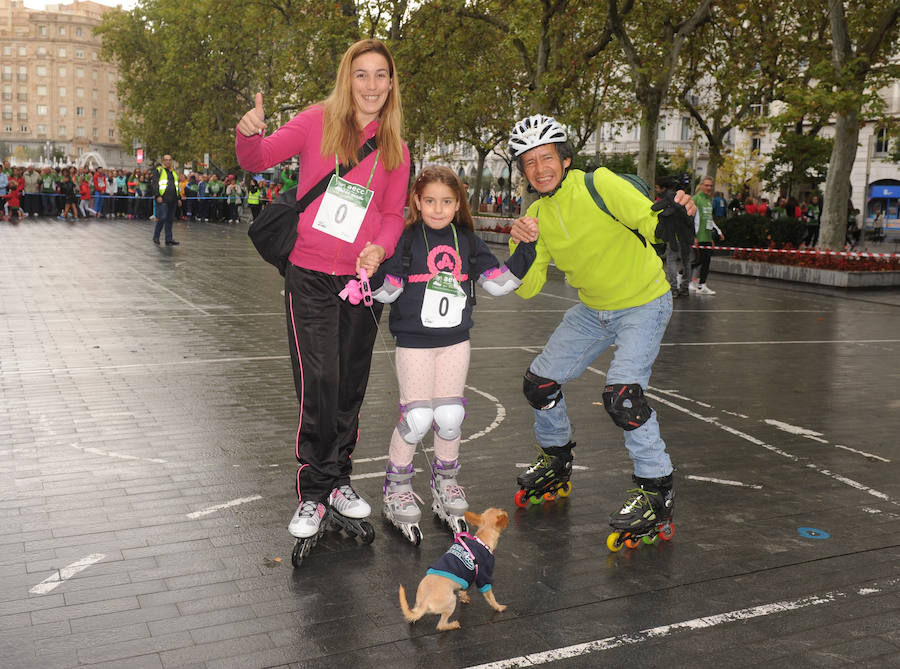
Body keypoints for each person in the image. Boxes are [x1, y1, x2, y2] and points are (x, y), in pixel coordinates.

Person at [235, 38, 411, 543]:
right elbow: (258, 158)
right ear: (346, 78)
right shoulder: (317, 120)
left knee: (351, 385)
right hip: (309, 274)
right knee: (320, 381)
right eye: (362, 74)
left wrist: (378, 248)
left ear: (391, 82)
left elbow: (393, 213)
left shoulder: (396, 145)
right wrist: (248, 133)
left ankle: (339, 482)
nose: (372, 85)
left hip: (359, 282)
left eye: (381, 75)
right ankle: (313, 491)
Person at [505, 114, 696, 539]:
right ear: (523, 172)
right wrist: (522, 245)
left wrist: (677, 213)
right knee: (540, 384)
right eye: (529, 162)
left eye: (547, 157)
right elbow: (528, 289)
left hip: (644, 302)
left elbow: (652, 222)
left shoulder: (600, 183)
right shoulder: (535, 215)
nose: (540, 169)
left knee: (623, 398)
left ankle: (656, 490)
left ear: (566, 159)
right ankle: (556, 458)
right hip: (593, 310)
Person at [368, 166, 536, 542]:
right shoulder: (407, 239)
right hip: (413, 343)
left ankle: (446, 482)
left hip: (455, 343)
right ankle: (396, 487)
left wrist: (526, 250)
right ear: (416, 201)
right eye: (430, 201)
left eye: (446, 201)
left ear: (458, 203)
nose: (438, 209)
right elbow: (388, 293)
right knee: (416, 418)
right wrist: (373, 268)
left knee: (449, 415)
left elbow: (497, 285)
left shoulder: (468, 241)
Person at [688, 176, 723, 295]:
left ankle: (701, 285)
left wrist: (718, 232)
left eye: (711, 186)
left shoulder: (709, 200)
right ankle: (682, 275)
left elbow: (709, 218)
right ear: (701, 186)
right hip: (699, 236)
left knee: (705, 261)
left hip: (707, 236)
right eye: (706, 185)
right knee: (700, 260)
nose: (709, 188)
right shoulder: (696, 199)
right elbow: (691, 219)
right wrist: (694, 236)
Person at [150, 154, 182, 245]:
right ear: (163, 161)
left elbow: (177, 186)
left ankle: (169, 239)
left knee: (170, 219)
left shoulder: (173, 172)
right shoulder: (158, 170)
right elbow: (154, 184)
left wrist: (179, 198)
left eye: (169, 160)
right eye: (166, 160)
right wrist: (157, 195)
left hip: (173, 199)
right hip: (163, 198)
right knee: (162, 217)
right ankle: (156, 236)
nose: (168, 161)